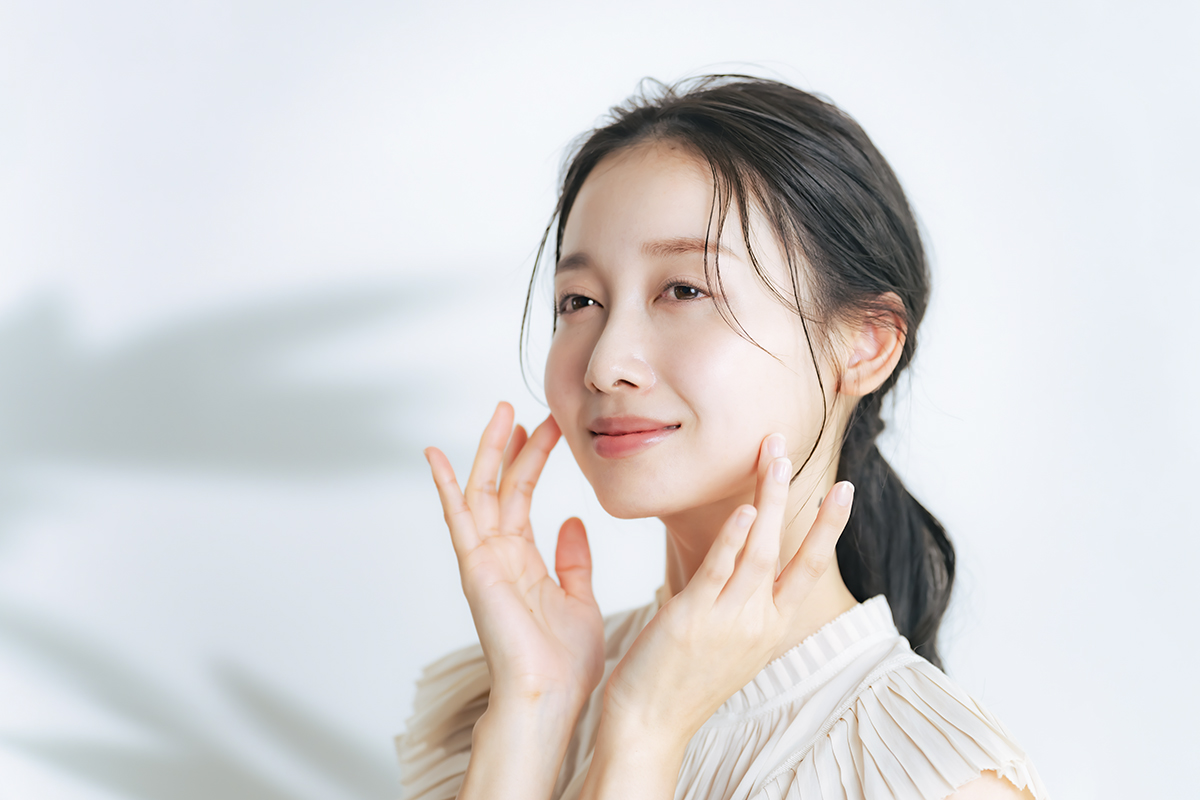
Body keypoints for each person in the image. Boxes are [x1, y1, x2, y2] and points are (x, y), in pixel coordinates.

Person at [397, 76, 1047, 800]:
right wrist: (534, 712)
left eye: (684, 290)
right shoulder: (524, 688)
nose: (606, 364)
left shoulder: (933, 779)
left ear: (865, 344)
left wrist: (645, 734)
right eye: (579, 301)